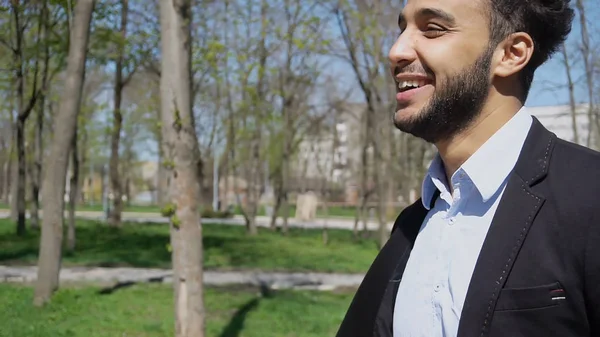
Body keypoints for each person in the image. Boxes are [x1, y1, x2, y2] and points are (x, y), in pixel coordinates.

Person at [335, 0, 600, 336]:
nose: (396, 51)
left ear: (511, 54)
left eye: (433, 29)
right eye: (403, 29)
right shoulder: (412, 224)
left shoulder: (591, 197)